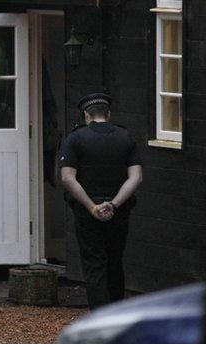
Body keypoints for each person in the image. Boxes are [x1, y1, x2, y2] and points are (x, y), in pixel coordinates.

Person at [58, 93, 142, 310]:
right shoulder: (125, 137)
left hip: (87, 213)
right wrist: (114, 204)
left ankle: (99, 316)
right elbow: (135, 177)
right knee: (115, 261)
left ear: (86, 115)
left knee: (95, 264)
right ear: (109, 114)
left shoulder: (75, 139)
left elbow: (68, 178)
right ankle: (116, 312)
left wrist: (92, 206)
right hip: (119, 212)